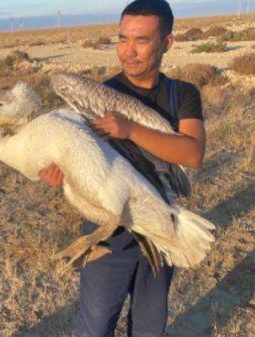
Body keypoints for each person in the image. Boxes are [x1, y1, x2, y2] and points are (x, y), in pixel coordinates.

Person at [39, 1, 206, 336]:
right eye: (122, 39)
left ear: (167, 43)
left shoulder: (182, 94)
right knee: (96, 325)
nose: (128, 52)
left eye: (141, 40)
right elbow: (82, 157)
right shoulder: (103, 95)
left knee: (149, 326)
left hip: (159, 228)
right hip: (108, 231)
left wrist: (130, 129)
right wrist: (59, 174)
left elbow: (192, 154)